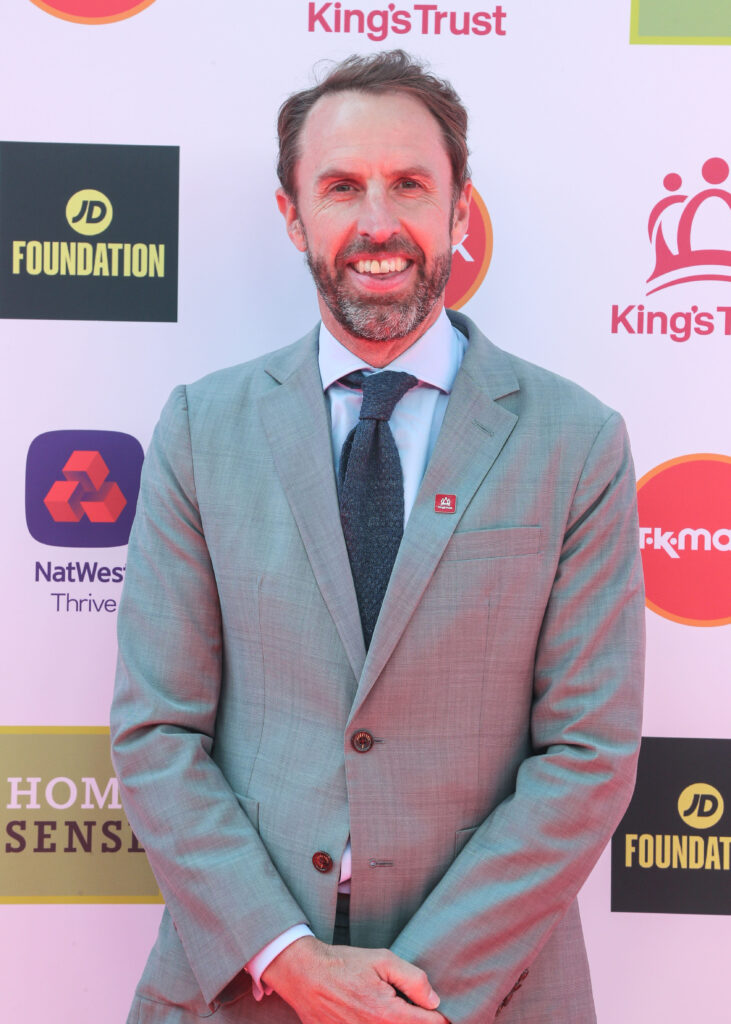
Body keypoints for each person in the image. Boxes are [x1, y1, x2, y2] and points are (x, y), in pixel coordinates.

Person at [110, 50, 645, 1024]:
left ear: (456, 210)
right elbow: (157, 732)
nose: (376, 221)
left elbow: (588, 751)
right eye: (341, 186)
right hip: (244, 984)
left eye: (408, 183)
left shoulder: (577, 442)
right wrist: (292, 960)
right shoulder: (201, 427)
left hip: (486, 994)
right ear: (291, 215)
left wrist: (407, 994)